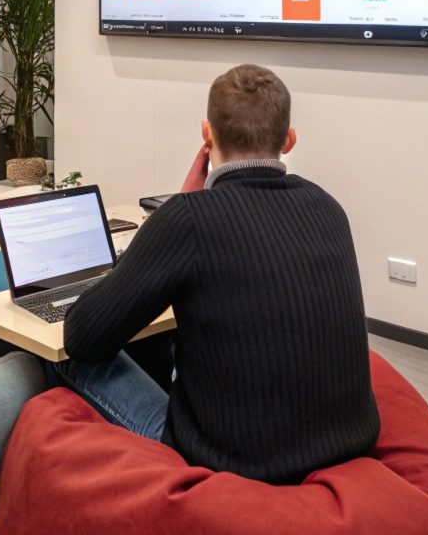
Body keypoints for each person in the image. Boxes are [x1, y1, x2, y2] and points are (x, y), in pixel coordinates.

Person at [59, 64, 380, 485]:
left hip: (232, 464)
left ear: (206, 135)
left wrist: (169, 219)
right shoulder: (327, 207)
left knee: (63, 359)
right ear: (288, 140)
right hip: (348, 443)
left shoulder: (187, 218)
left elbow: (81, 337)